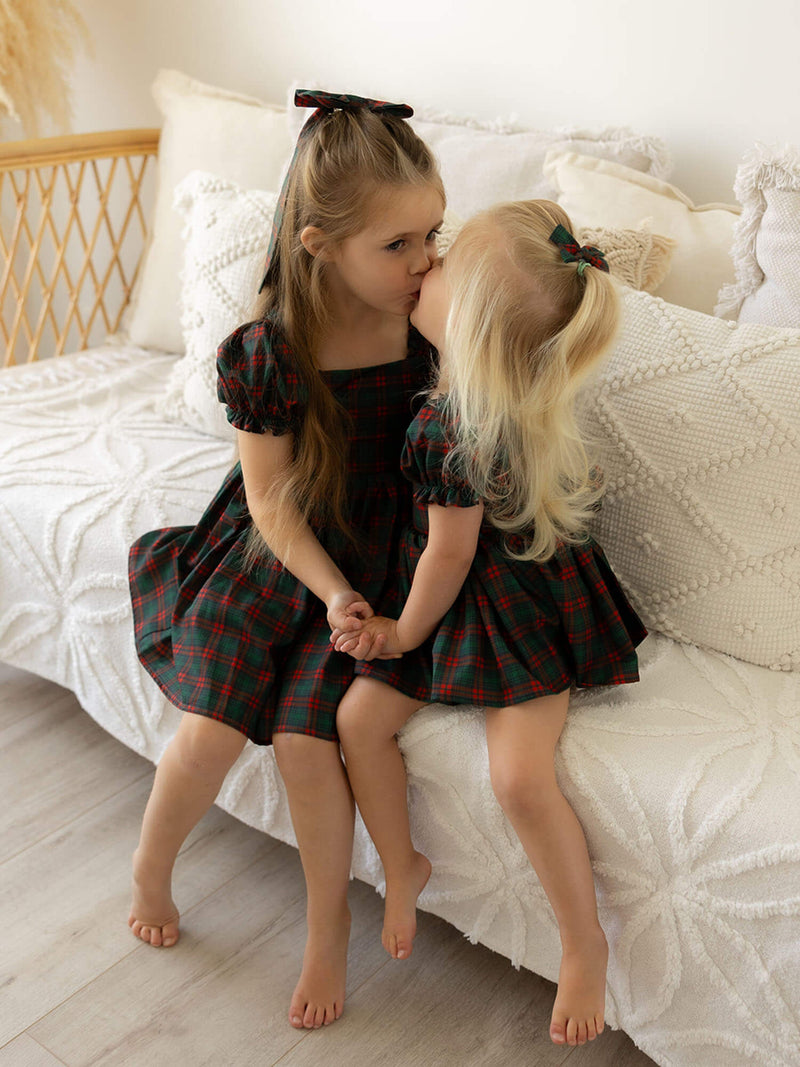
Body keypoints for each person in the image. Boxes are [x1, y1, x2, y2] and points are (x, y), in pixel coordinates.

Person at [126, 89, 445, 1031]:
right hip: (281, 549)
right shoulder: (270, 351)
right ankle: (150, 867)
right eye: (398, 245)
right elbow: (267, 498)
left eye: (432, 232)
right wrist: (331, 584)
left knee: (312, 740)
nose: (425, 260)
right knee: (212, 729)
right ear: (317, 245)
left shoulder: (427, 324)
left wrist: (363, 593)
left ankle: (322, 932)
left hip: (383, 554)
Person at [332, 201, 648, 1048]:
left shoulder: (449, 426)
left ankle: (583, 940)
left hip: (512, 610)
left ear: (467, 326)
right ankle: (406, 864)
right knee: (358, 720)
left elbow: (447, 558)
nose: (420, 266)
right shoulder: (507, 383)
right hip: (471, 586)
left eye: (437, 265)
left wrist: (399, 634)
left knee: (518, 778)